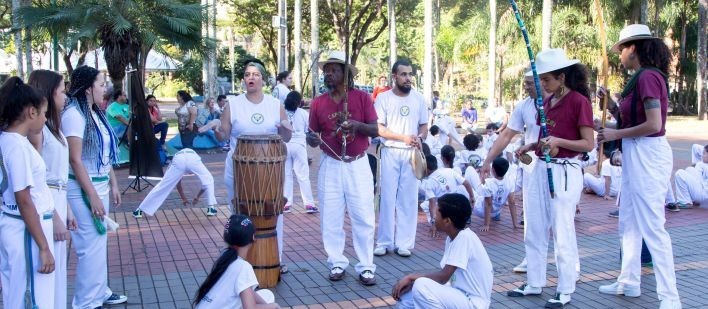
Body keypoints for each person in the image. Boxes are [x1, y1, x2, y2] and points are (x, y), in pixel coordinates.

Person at [596, 24, 682, 309]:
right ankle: (628, 282)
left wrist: (614, 134)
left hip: (648, 153)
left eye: (621, 49)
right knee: (629, 221)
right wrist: (610, 113)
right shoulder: (641, 78)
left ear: (632, 48)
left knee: (653, 227)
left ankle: (670, 298)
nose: (619, 55)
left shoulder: (647, 77)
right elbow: (631, 120)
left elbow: (654, 124)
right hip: (637, 152)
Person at [505, 49, 594, 308]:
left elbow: (587, 143)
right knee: (534, 225)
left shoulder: (578, 102)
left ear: (562, 78)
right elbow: (547, 139)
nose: (542, 84)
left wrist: (558, 142)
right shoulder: (546, 103)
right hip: (541, 168)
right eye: (541, 80)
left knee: (562, 228)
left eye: (546, 80)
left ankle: (565, 287)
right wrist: (530, 146)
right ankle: (535, 281)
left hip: (565, 170)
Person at [306, 51, 379, 285]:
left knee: (364, 216)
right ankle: (336, 262)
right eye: (326, 70)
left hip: (358, 163)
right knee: (330, 216)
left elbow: (376, 129)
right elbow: (312, 135)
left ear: (345, 74)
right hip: (331, 164)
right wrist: (313, 140)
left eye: (334, 70)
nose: (328, 74)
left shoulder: (362, 98)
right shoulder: (318, 103)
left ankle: (366, 266)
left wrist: (357, 125)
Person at [61, 65, 128, 307]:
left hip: (99, 185)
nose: (105, 89)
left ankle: (99, 291)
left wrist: (114, 184)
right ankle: (86, 302)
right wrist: (93, 196)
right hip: (82, 189)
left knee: (99, 244)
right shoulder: (74, 115)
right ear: (88, 88)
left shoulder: (94, 113)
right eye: (101, 84)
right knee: (89, 246)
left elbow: (105, 153)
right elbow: (75, 159)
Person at [217, 60, 292, 273]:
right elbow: (223, 134)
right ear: (244, 80)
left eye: (256, 74)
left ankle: (274, 258)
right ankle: (238, 263)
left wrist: (288, 128)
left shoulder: (274, 104)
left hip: (270, 169)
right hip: (239, 167)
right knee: (239, 213)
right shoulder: (233, 104)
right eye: (248, 74)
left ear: (263, 80)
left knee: (271, 210)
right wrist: (216, 131)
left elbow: (285, 137)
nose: (251, 77)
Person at [0, 76, 56, 309]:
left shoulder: (8, 141)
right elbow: (24, 200)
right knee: (30, 297)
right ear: (31, 112)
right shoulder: (17, 146)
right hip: (26, 231)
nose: (45, 118)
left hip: (18, 227)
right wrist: (43, 247)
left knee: (17, 290)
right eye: (43, 113)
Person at [480, 73, 542, 274]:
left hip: (557, 166)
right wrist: (488, 161)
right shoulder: (524, 105)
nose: (526, 87)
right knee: (532, 217)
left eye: (531, 83)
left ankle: (570, 266)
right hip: (531, 165)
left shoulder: (559, 102)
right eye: (525, 83)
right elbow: (507, 135)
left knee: (559, 220)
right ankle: (531, 259)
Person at [27, 70, 76, 308]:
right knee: (45, 274)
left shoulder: (53, 126)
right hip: (44, 206)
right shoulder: (37, 130)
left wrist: (66, 208)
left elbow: (58, 175)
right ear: (49, 92)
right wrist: (55, 216)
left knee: (58, 276)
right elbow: (38, 178)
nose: (65, 96)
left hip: (58, 198)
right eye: (62, 91)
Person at [392, 193, 493, 309]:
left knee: (421, 286)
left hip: (473, 303)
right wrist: (413, 281)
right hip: (460, 295)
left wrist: (411, 277)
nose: (434, 218)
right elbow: (444, 279)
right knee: (406, 297)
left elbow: (443, 277)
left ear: (447, 221)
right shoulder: (452, 238)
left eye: (436, 214)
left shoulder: (465, 238)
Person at [373, 59, 429, 258]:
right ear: (394, 76)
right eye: (403, 74)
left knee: (408, 198)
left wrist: (419, 138)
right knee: (387, 197)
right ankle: (384, 242)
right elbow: (379, 128)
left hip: (411, 154)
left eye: (410, 74)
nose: (408, 78)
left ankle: (404, 242)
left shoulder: (419, 99)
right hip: (390, 151)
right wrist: (402, 137)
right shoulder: (383, 98)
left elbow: (424, 126)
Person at [193, 214, 281, 309]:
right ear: (253, 237)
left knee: (266, 295)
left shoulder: (224, 258)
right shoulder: (243, 267)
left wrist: (267, 306)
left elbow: (247, 290)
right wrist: (274, 306)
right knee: (269, 299)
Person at [132, 148, 218, 218]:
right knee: (209, 179)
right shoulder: (195, 158)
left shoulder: (176, 160)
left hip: (179, 159)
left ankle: (139, 210)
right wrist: (195, 197)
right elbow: (206, 183)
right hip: (192, 158)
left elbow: (178, 184)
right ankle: (211, 208)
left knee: (162, 186)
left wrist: (187, 198)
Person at [282, 91, 317, 214]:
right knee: (303, 176)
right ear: (299, 102)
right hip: (299, 146)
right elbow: (310, 129)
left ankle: (286, 204)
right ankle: (309, 204)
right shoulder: (303, 113)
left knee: (287, 176)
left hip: (284, 146)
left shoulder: (282, 112)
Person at [473, 157, 518, 232]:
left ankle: (467, 217)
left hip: (480, 211)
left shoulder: (488, 183)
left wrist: (486, 225)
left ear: (493, 170)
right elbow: (512, 202)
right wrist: (515, 224)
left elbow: (488, 205)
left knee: (466, 185)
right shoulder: (510, 181)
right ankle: (496, 216)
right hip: (496, 212)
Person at [671, 144, 708, 209]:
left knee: (679, 173)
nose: (702, 155)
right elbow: (695, 147)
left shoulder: (703, 166)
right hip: (704, 194)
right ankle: (692, 200)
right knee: (689, 169)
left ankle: (685, 202)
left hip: (704, 196)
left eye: (704, 153)